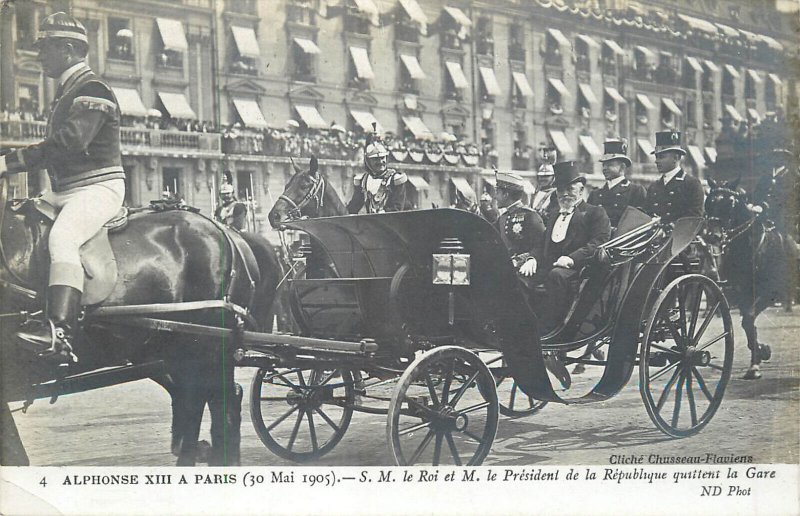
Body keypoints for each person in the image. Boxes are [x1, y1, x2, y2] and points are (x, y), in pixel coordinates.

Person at [0, 13, 125, 360]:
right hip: (65, 189)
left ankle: (59, 332)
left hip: (97, 188)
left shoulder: (92, 89)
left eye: (46, 48)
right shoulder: (69, 91)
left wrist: (8, 163)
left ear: (68, 50)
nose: (40, 55)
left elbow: (69, 142)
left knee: (63, 238)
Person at [536, 161, 611, 332]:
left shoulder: (594, 213)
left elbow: (598, 242)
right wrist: (531, 259)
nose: (565, 194)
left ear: (581, 190)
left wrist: (571, 258)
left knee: (556, 276)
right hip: (552, 266)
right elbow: (542, 245)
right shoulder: (554, 214)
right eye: (561, 190)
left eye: (570, 189)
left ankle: (551, 330)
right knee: (520, 278)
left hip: (581, 270)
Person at [752, 147, 799, 311]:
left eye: (780, 157)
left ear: (785, 160)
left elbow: (792, 198)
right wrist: (754, 204)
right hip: (763, 218)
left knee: (787, 247)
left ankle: (789, 293)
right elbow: (757, 193)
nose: (776, 160)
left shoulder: (793, 177)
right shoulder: (766, 176)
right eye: (774, 157)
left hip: (785, 219)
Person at [494, 172, 546, 291]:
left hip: (526, 270)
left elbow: (541, 245)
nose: (495, 197)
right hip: (508, 266)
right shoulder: (503, 217)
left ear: (506, 194)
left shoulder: (530, 216)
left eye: (497, 192)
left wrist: (531, 259)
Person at [642, 130, 704, 223]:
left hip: (679, 236)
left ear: (675, 158)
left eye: (661, 157)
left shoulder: (691, 184)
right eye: (656, 157)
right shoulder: (654, 187)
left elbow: (694, 218)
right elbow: (647, 214)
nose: (656, 161)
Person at [588, 138, 647, 228]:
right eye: (603, 165)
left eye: (609, 165)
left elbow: (642, 221)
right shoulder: (595, 194)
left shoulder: (636, 191)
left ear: (622, 167)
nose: (604, 168)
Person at [347, 134, 410, 214]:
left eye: (382, 158)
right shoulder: (363, 181)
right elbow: (354, 206)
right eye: (376, 159)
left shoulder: (395, 180)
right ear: (368, 161)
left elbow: (397, 208)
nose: (380, 162)